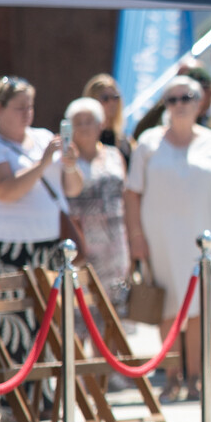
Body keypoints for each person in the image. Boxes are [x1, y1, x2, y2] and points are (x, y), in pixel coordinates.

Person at [125, 75, 211, 402]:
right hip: (160, 237)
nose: (179, 104)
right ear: (166, 105)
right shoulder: (148, 142)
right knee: (169, 308)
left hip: (203, 237)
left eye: (186, 97)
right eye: (172, 99)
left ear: (199, 101)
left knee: (199, 310)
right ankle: (171, 377)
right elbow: (132, 193)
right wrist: (135, 237)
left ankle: (196, 378)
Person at [0, 76, 83, 363]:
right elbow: (5, 191)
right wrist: (43, 163)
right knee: (14, 325)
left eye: (30, 107)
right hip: (10, 248)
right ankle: (16, 402)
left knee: (51, 323)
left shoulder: (44, 137)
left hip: (50, 245)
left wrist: (69, 166)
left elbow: (72, 189)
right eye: (20, 107)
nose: (27, 114)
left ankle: (47, 401)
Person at [64, 96, 130, 316]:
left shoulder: (114, 155)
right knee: (79, 314)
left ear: (101, 124)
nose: (83, 127)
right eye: (78, 122)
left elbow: (125, 196)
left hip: (115, 246)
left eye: (89, 120)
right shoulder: (64, 161)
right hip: (81, 246)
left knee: (112, 315)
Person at [82, 73, 133, 165]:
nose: (112, 102)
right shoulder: (84, 138)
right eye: (105, 98)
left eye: (115, 97)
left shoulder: (123, 142)